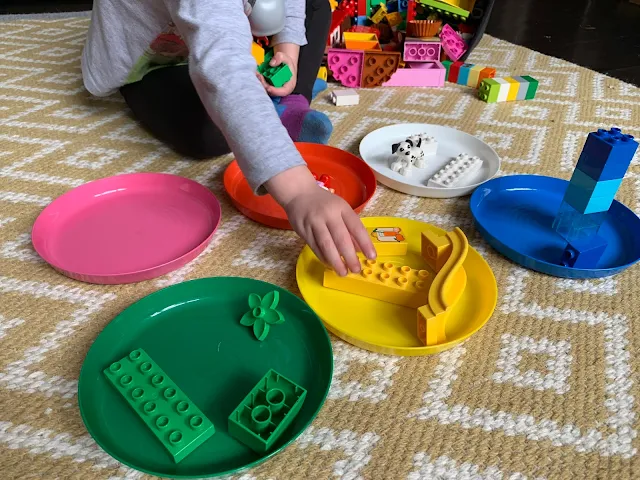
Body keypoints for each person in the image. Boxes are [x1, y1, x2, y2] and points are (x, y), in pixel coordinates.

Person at [81, 0, 376, 276]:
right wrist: (300, 190)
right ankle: (261, 110)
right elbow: (222, 67)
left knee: (317, 7)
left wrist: (288, 54)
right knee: (211, 132)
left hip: (222, 31)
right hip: (151, 63)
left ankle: (288, 104)